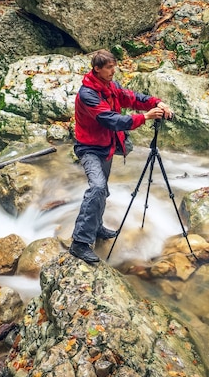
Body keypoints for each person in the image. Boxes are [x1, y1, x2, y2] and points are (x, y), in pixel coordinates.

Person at [70, 49, 173, 264]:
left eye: (114, 66)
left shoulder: (110, 86)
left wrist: (156, 103)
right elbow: (110, 119)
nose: (113, 71)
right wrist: (145, 117)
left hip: (106, 146)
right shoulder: (88, 94)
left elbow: (131, 98)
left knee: (103, 190)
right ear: (96, 69)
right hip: (89, 148)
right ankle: (79, 243)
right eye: (109, 67)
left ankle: (95, 227)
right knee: (97, 187)